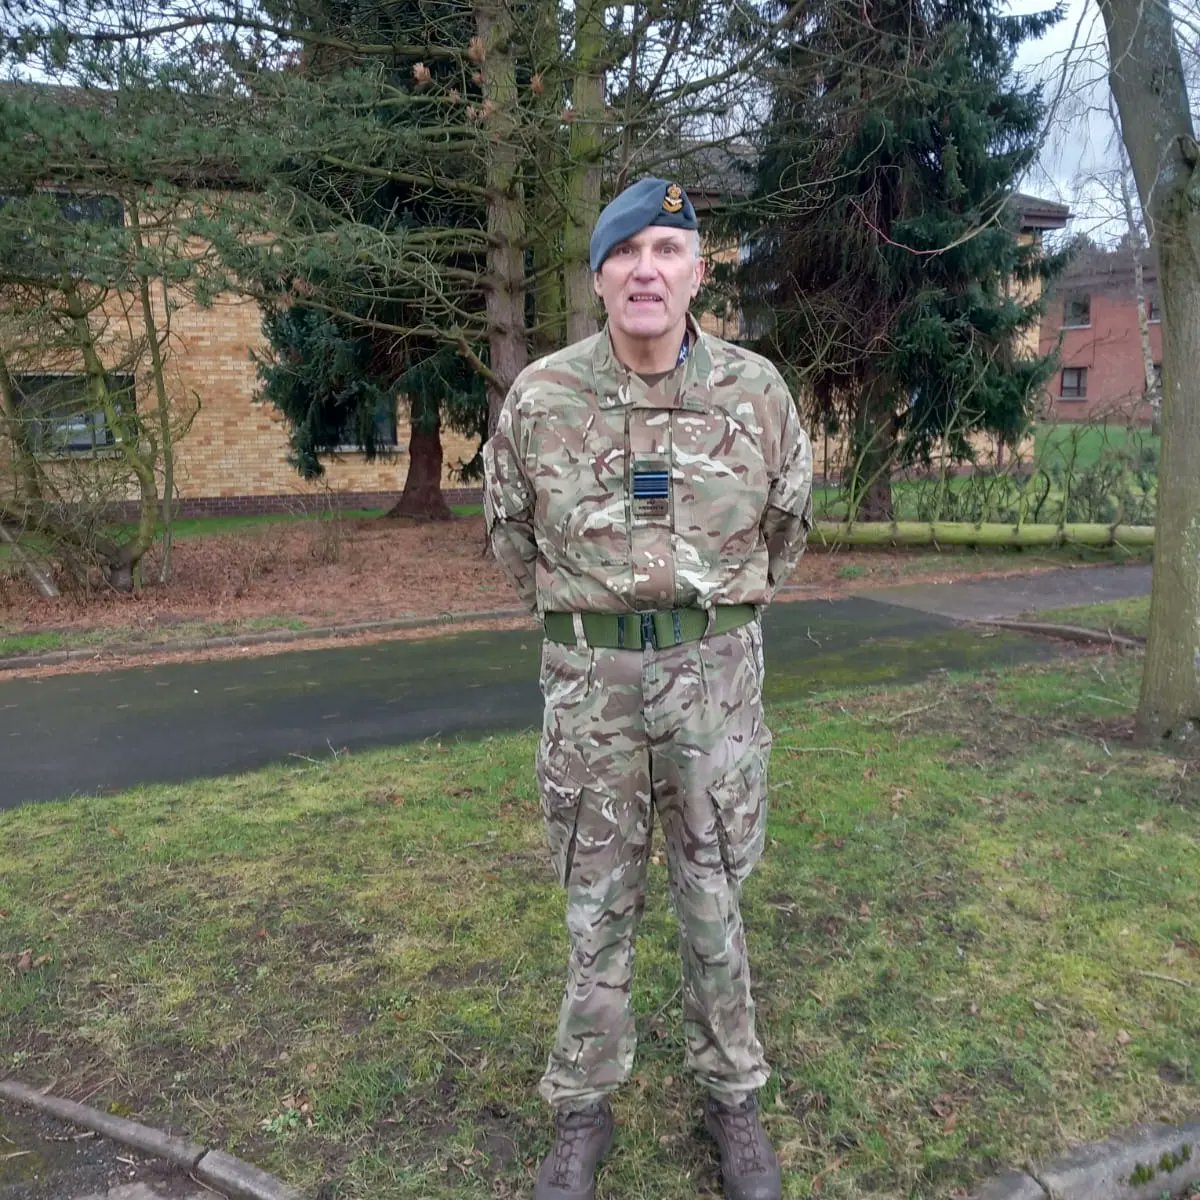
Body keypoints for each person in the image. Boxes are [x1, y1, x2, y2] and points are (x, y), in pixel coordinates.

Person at [483, 177, 813, 1200]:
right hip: (591, 691)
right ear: (597, 277)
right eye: (626, 253)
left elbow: (788, 530)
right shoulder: (541, 399)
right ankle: (582, 1111)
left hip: (714, 682)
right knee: (596, 903)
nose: (646, 270)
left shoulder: (755, 394)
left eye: (668, 250)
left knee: (715, 893)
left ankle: (733, 1099)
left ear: (698, 272)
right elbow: (509, 539)